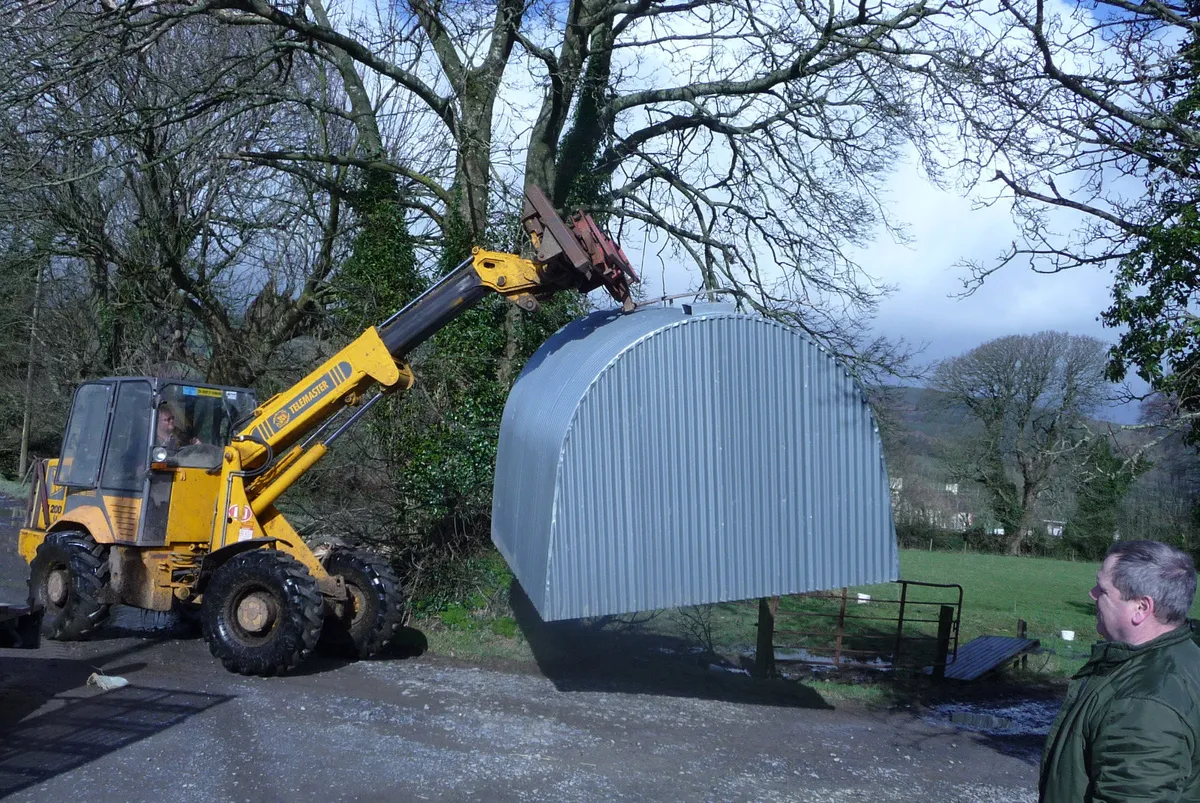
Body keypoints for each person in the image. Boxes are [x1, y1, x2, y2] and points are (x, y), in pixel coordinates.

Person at [1039, 539, 1200, 802]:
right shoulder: (1187, 657)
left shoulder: (1143, 703)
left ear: (1141, 608)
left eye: (1102, 589)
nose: (1092, 595)